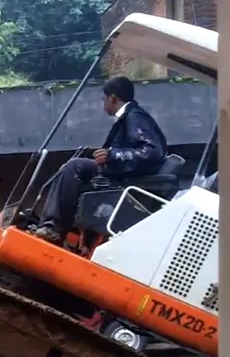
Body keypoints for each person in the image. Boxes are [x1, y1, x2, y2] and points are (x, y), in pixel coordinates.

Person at [33, 76, 168, 242]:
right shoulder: (128, 117)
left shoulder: (135, 117)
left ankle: (55, 227)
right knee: (71, 168)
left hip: (126, 177)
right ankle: (55, 225)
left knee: (75, 166)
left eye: (104, 99)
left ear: (112, 98)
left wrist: (113, 155)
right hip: (120, 172)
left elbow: (152, 151)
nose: (103, 103)